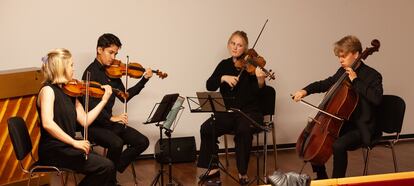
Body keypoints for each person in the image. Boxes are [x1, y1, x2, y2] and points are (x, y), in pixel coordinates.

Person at [292, 35, 383, 179]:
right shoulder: (343, 71)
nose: (340, 60)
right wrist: (305, 91)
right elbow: (325, 83)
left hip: (362, 126)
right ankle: (322, 177)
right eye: (339, 57)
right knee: (314, 140)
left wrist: (356, 80)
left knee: (338, 145)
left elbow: (376, 99)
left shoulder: (373, 75)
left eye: (343, 56)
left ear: (356, 54)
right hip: (343, 123)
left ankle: (337, 181)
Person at [197, 30, 267, 185]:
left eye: (240, 45)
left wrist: (260, 80)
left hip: (249, 113)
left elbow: (259, 94)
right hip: (229, 112)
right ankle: (213, 167)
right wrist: (223, 77)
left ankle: (242, 173)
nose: (236, 47)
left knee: (243, 129)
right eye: (233, 43)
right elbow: (209, 84)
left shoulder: (252, 66)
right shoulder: (224, 64)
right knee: (207, 127)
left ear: (245, 48)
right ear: (229, 45)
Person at [37, 48, 115, 186]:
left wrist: (104, 100)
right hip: (54, 150)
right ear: (61, 68)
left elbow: (85, 121)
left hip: (67, 146)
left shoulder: (70, 92)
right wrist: (74, 142)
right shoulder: (47, 90)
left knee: (107, 165)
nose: (74, 69)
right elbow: (48, 123)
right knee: (105, 167)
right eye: (71, 65)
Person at [82, 33, 151, 178]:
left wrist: (143, 80)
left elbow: (125, 96)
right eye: (110, 52)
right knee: (117, 143)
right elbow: (89, 107)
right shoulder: (90, 73)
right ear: (99, 50)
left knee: (142, 142)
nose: (113, 57)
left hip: (109, 124)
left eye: (116, 53)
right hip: (94, 125)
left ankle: (109, 171)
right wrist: (112, 118)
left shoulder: (112, 73)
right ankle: (109, 178)